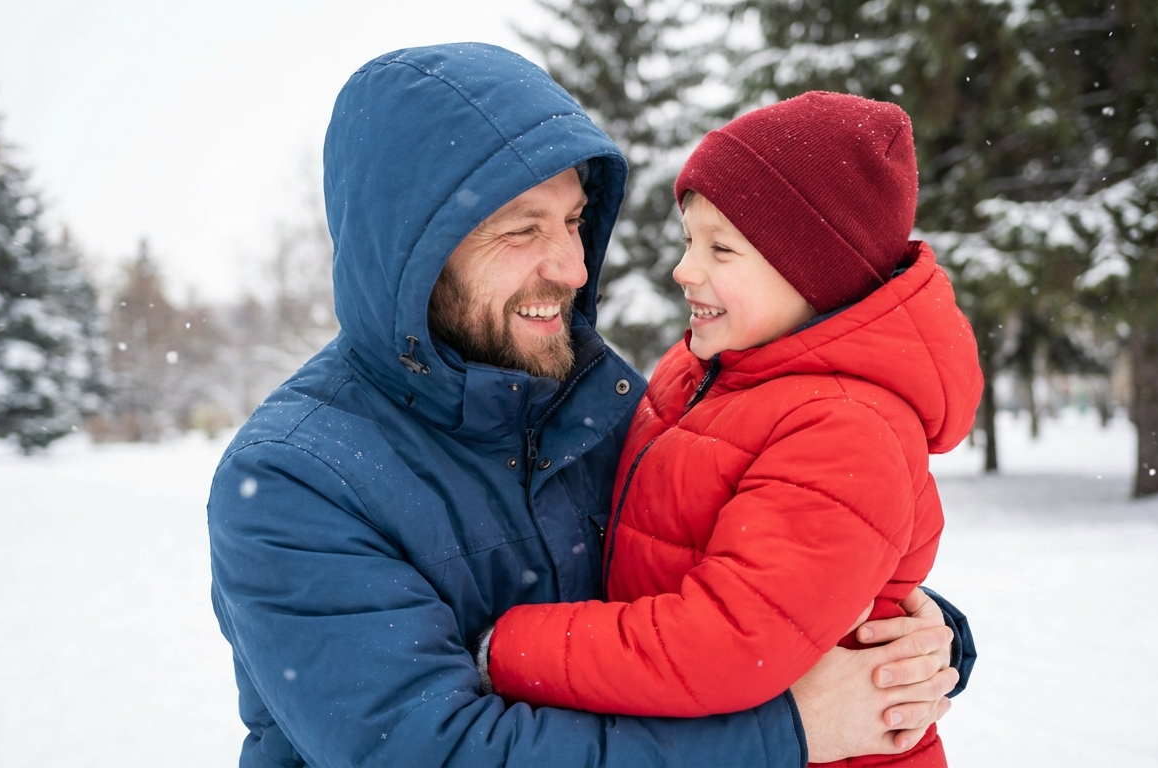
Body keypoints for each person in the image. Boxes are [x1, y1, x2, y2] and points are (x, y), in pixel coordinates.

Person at [207, 44, 975, 768]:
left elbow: (738, 573)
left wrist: (909, 633)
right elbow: (441, 752)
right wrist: (786, 734)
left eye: (575, 221)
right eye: (522, 230)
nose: (574, 268)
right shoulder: (293, 483)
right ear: (413, 254)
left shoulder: (595, 402)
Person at [480, 93, 981, 767]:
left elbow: (725, 641)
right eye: (690, 241)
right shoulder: (702, 376)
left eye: (721, 247)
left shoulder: (845, 428)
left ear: (816, 275)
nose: (685, 270)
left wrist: (512, 648)